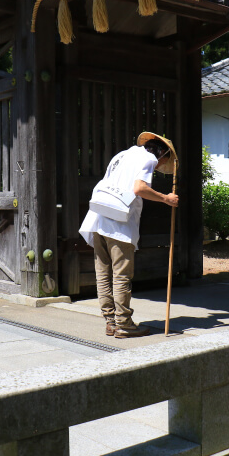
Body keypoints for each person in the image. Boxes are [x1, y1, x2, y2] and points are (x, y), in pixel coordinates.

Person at [79, 132, 179, 338]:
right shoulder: (149, 159)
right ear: (162, 153)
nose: (160, 167)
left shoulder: (122, 155)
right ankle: (124, 323)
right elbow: (139, 188)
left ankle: (111, 322)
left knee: (103, 274)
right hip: (118, 222)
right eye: (164, 163)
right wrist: (166, 199)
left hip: (97, 215)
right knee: (121, 274)